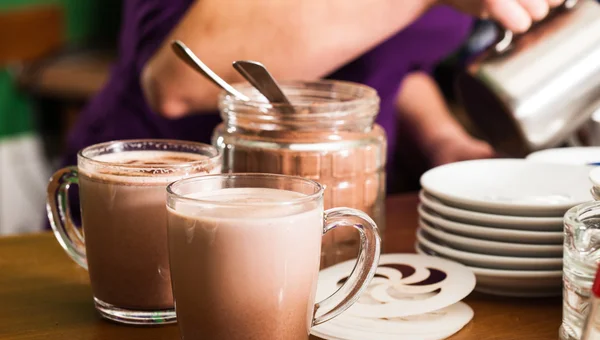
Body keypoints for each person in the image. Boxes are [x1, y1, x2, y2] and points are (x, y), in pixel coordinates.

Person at [64, 0, 565, 193]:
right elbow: (178, 78)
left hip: (352, 213)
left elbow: (385, 64)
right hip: (167, 211)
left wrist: (443, 139)